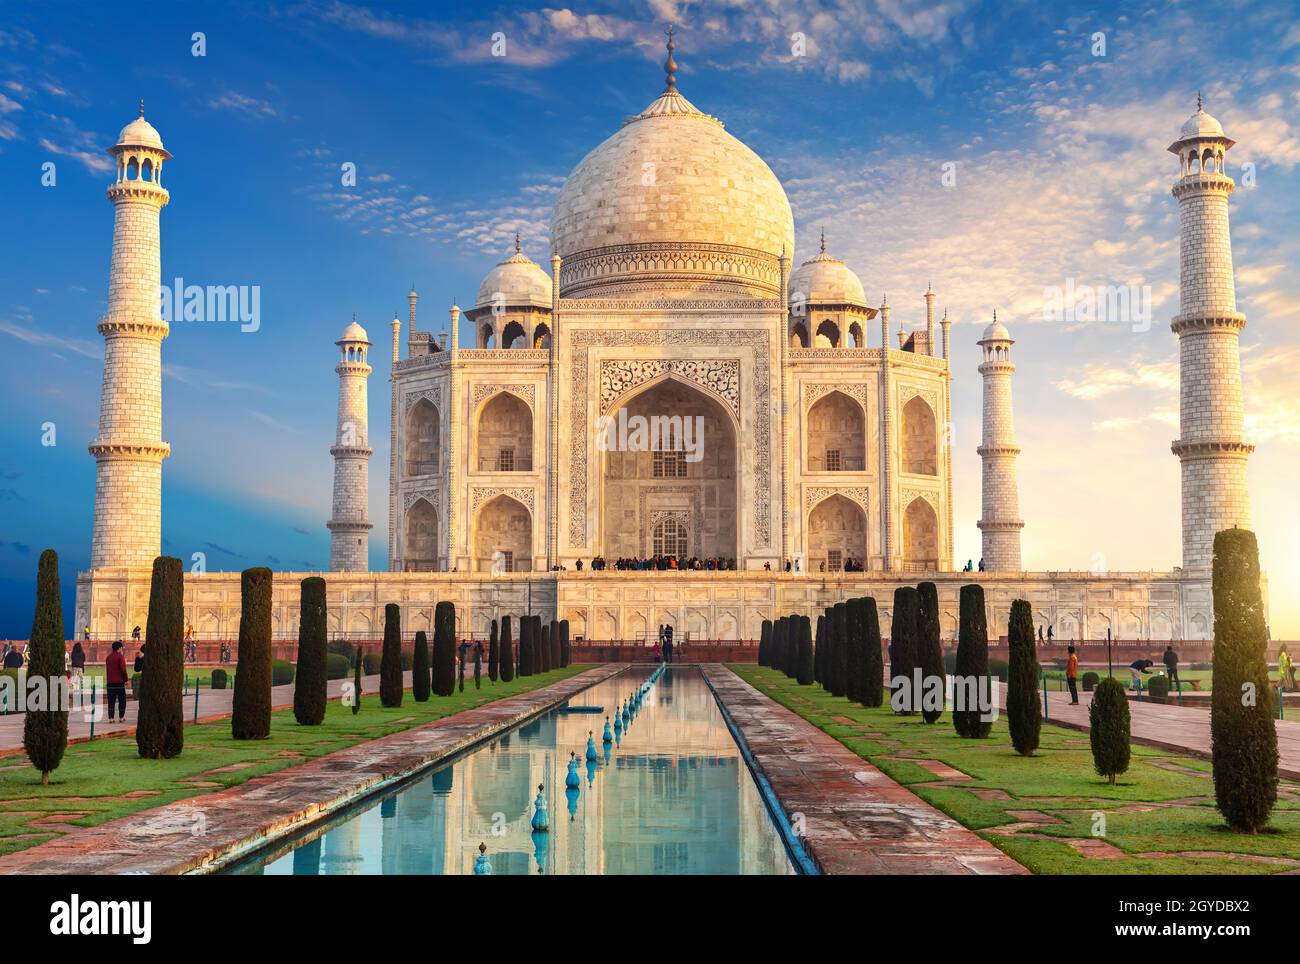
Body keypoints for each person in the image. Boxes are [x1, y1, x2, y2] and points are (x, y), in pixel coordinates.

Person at [105, 641, 128, 722]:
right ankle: (121, 717)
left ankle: (111, 718)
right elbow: (123, 669)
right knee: (122, 700)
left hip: (110, 682)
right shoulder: (120, 657)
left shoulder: (108, 658)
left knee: (111, 701)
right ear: (119, 648)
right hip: (119, 682)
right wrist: (126, 679)